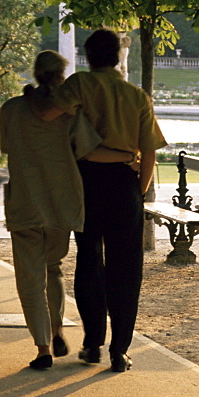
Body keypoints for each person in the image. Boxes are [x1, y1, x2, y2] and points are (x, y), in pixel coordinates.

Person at [41, 29, 167, 373]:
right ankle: (120, 349)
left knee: (89, 260)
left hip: (86, 182)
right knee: (127, 269)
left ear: (88, 55)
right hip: (124, 184)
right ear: (117, 56)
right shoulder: (136, 95)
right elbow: (151, 151)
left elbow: (48, 114)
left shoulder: (80, 84)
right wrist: (137, 190)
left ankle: (92, 343)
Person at [0, 51, 131, 370]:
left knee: (29, 276)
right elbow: (90, 150)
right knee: (53, 267)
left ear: (35, 73)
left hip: (24, 201)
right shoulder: (70, 114)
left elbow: (4, 146)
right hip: (61, 202)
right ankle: (58, 328)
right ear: (61, 77)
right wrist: (128, 157)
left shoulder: (11, 109)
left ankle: (43, 346)